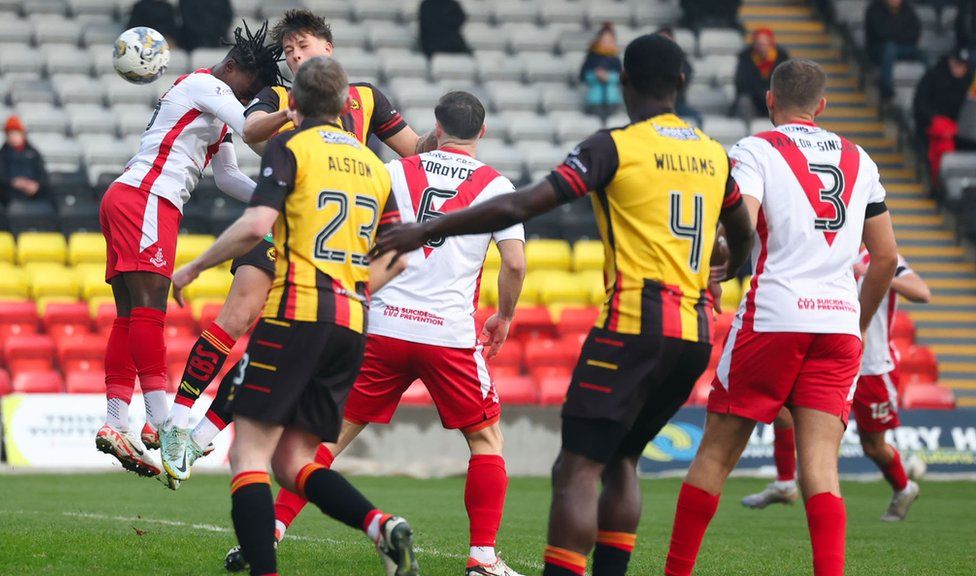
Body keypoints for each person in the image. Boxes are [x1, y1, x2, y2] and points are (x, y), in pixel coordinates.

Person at [372, 34, 755, 576]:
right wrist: (724, 271)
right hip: (693, 335)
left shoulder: (614, 145)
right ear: (683, 85)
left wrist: (428, 229)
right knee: (624, 459)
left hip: (633, 324)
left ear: (622, 84)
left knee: (578, 467)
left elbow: (527, 201)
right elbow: (741, 232)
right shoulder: (714, 155)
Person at [234, 91, 528, 576]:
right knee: (486, 440)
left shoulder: (389, 170)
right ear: (484, 131)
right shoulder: (498, 186)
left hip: (382, 325)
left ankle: (272, 529)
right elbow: (514, 263)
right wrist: (505, 316)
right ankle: (482, 559)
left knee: (323, 441)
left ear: (434, 127)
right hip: (449, 334)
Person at [171, 55, 419, 576]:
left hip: (295, 315)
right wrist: (351, 288)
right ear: (345, 105)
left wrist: (193, 266)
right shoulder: (377, 167)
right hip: (350, 325)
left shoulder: (292, 144)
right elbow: (399, 255)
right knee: (293, 462)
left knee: (251, 455)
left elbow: (256, 223)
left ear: (296, 104)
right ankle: (380, 525)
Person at [663, 59, 900, 576]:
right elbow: (884, 258)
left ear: (770, 101)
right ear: (822, 106)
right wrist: (857, 325)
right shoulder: (860, 158)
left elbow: (739, 225)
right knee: (822, 468)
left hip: (774, 315)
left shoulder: (755, 149)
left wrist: (715, 272)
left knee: (716, 455)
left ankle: (676, 571)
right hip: (837, 325)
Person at [93, 22, 282, 482]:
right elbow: (251, 127)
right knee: (150, 314)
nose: (248, 99)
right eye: (250, 89)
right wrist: (300, 112)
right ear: (233, 68)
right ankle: (163, 424)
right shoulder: (207, 84)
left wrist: (279, 196)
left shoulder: (215, 104)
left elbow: (229, 178)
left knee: (129, 315)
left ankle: (117, 421)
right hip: (149, 199)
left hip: (133, 196)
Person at [742, 248, 931, 522]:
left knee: (873, 446)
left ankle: (904, 487)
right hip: (830, 357)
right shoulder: (828, 251)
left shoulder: (881, 258)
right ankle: (784, 483)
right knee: (782, 409)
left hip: (872, 367)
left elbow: (922, 292)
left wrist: (881, 273)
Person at [913, 48, 975, 183]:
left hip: (961, 132)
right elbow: (920, 104)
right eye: (958, 64)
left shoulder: (969, 81)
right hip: (932, 128)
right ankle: (939, 185)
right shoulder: (933, 76)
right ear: (950, 61)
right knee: (943, 143)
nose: (960, 69)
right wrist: (933, 120)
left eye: (963, 65)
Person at [865, 0, 923, 97]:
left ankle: (933, 90)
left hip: (904, 47)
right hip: (878, 49)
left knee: (922, 54)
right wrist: (901, 33)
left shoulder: (908, 9)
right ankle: (886, 89)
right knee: (890, 48)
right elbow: (881, 33)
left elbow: (915, 33)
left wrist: (895, 34)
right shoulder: (875, 9)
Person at [733, 28, 790, 121]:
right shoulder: (745, 57)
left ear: (771, 44)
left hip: (774, 99)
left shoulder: (782, 58)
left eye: (764, 44)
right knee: (744, 102)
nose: (762, 47)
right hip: (753, 99)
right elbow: (741, 83)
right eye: (759, 44)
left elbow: (786, 83)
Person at [0, 116, 50, 205]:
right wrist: (14, 182)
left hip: (33, 191)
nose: (13, 137)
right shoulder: (2, 154)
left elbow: (42, 173)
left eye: (16, 133)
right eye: (10, 134)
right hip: (11, 191)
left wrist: (35, 185)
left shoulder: (33, 152)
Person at [657, 27, 702, 126]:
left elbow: (686, 76)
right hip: (656, 105)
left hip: (677, 104)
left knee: (698, 118)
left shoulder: (681, 58)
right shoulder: (651, 60)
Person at [580, 23, 623, 121]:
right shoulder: (592, 58)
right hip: (595, 100)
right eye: (604, 40)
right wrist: (595, 76)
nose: (606, 43)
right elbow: (583, 76)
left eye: (609, 40)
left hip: (612, 99)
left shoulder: (615, 59)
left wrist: (609, 77)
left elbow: (621, 78)